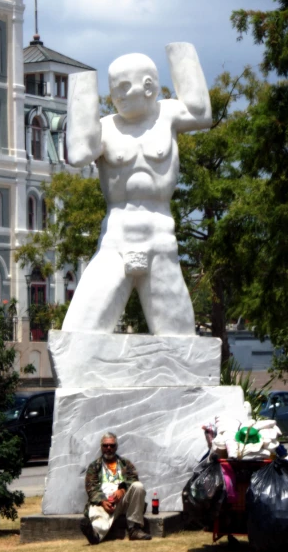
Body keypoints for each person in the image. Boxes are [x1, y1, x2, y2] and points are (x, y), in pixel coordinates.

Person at [62, 43, 212, 335]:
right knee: (78, 333)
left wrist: (179, 52)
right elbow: (79, 153)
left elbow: (201, 112)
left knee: (180, 339)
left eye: (123, 86)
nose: (117, 95)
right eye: (113, 88)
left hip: (160, 238)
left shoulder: (167, 116)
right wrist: (82, 85)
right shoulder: (106, 127)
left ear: (148, 87)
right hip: (116, 238)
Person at [80, 433, 151, 544]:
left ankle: (134, 529)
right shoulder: (94, 466)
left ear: (116, 447)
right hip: (104, 502)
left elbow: (133, 479)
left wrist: (122, 490)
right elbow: (91, 487)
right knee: (99, 518)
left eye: (112, 446)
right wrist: (103, 501)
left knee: (138, 486)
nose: (109, 448)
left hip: (122, 501)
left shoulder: (125, 463)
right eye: (106, 445)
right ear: (101, 447)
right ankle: (94, 535)